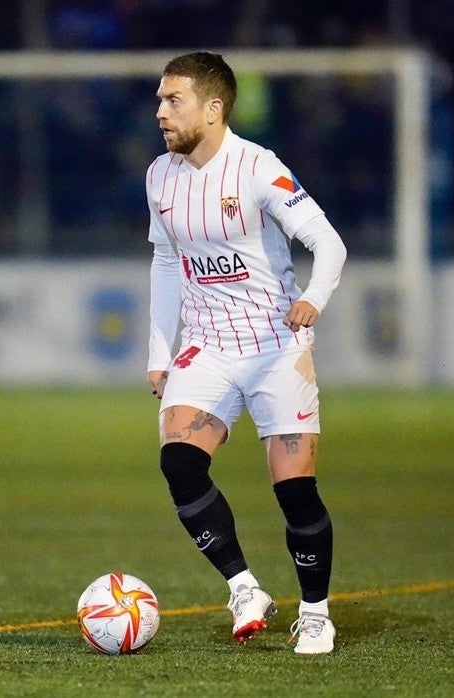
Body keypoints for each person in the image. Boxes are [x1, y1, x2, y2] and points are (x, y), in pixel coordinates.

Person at [145, 52, 347, 655]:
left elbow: (328, 243)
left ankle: (315, 613)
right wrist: (160, 350)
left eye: (172, 100)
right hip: (207, 346)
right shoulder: (159, 175)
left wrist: (312, 298)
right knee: (180, 464)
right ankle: (243, 587)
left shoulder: (259, 169)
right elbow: (163, 260)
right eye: (159, 100)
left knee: (294, 490)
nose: (160, 111)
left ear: (213, 108)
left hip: (274, 345)